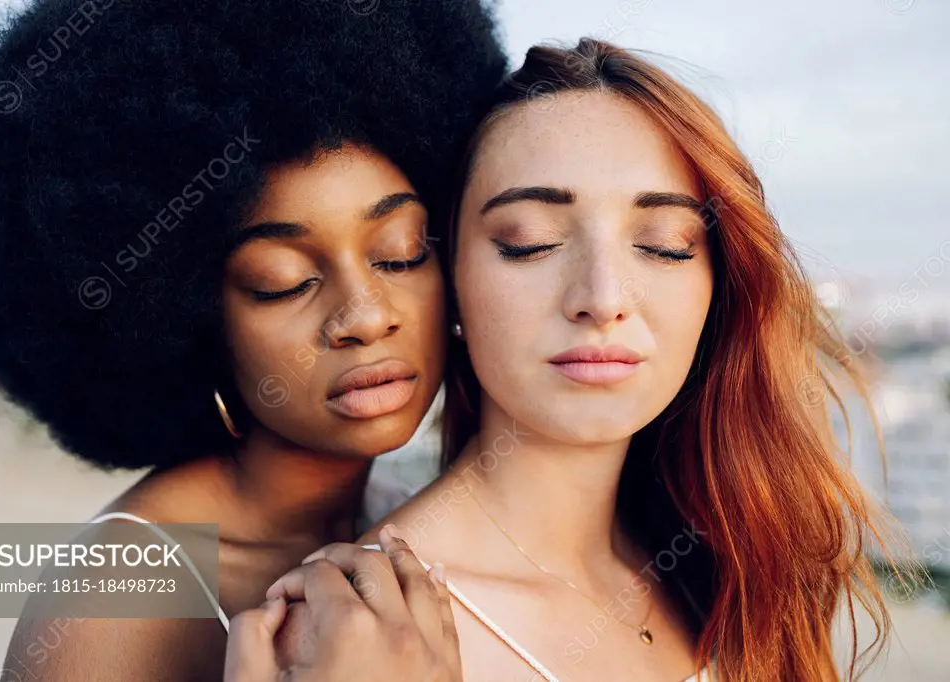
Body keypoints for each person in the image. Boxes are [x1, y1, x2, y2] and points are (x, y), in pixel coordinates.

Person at [240, 38, 910, 681]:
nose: (603, 298)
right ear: (450, 280)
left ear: (717, 286)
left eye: (665, 245)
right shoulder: (353, 629)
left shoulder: (727, 564)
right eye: (529, 243)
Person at [0, 0, 506, 680]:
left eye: (399, 253)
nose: (363, 315)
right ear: (181, 316)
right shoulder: (117, 595)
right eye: (282, 281)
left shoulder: (410, 519)